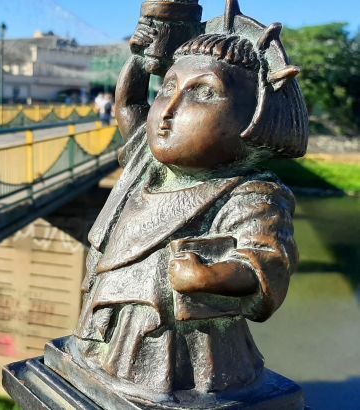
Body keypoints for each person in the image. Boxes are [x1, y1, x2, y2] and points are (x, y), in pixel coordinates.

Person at [69, 3, 308, 401]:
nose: (169, 110)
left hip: (184, 357)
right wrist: (140, 61)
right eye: (168, 88)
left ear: (254, 118)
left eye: (203, 93)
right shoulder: (147, 162)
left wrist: (211, 277)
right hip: (107, 333)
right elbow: (128, 106)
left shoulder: (249, 193)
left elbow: (267, 260)